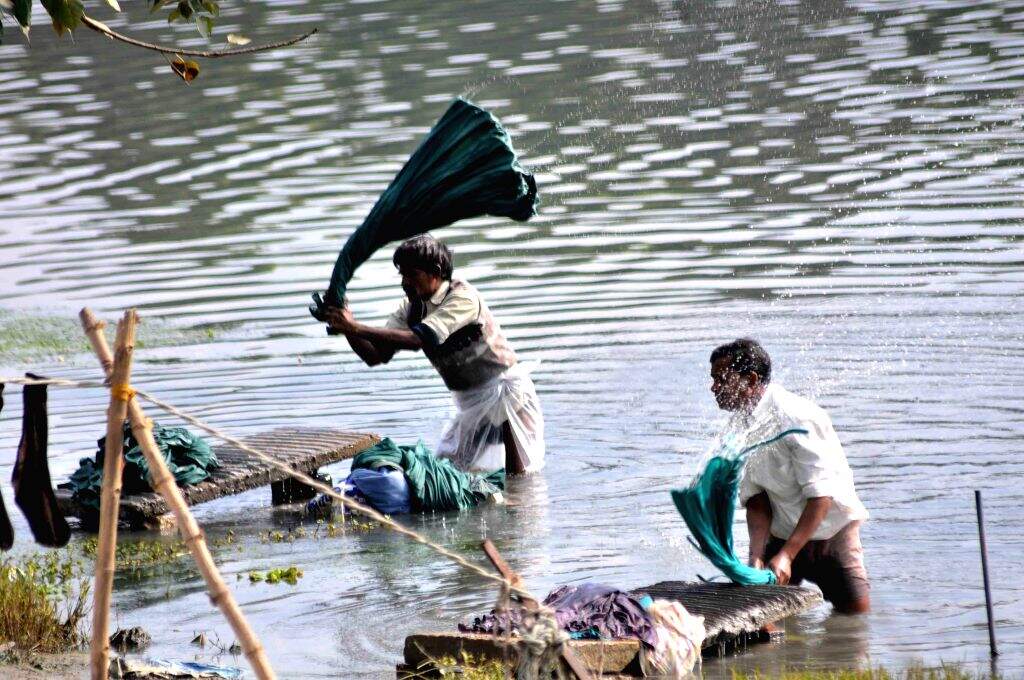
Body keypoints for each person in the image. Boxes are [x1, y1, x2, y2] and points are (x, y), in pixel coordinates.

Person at [325, 235, 544, 474]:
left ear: (436, 272)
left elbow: (418, 340)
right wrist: (345, 326)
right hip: (469, 405)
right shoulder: (411, 309)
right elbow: (376, 355)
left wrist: (354, 327)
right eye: (402, 275)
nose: (405, 283)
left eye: (412, 274)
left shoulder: (462, 296)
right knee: (448, 476)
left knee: (519, 479)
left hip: (505, 395)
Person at [709, 338, 870, 613]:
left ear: (750, 380)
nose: (714, 388)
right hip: (782, 533)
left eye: (721, 378)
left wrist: (787, 555)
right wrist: (757, 557)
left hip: (831, 533)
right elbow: (757, 500)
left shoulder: (796, 417)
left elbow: (821, 497)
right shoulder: (738, 427)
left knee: (853, 623)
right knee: (762, 619)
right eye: (713, 379)